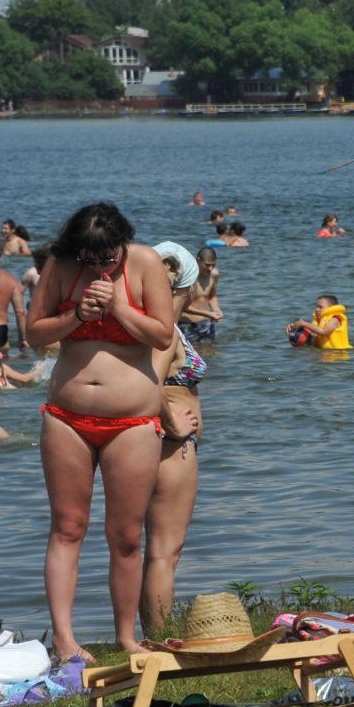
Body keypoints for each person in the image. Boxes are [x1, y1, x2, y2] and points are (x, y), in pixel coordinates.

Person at [27, 203, 178, 662]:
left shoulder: (146, 262)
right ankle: (65, 639)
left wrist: (117, 307)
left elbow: (163, 335)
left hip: (132, 420)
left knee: (126, 536)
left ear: (122, 243)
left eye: (107, 258)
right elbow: (34, 334)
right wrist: (76, 317)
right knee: (68, 528)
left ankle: (127, 636)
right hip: (67, 416)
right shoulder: (60, 264)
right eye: (89, 259)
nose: (98, 266)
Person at [143, 242, 205, 636]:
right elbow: (150, 382)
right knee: (166, 552)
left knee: (154, 552)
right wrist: (173, 424)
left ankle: (147, 636)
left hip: (156, 443)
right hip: (170, 446)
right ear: (186, 284)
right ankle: (161, 639)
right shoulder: (164, 334)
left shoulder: (152, 323)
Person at [179, 246, 223, 343]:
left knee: (211, 354)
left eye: (213, 265)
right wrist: (209, 314)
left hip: (207, 322)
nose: (210, 268)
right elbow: (182, 306)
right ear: (198, 260)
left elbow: (212, 296)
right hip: (187, 323)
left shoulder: (214, 274)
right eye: (207, 265)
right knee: (190, 356)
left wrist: (217, 310)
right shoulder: (187, 278)